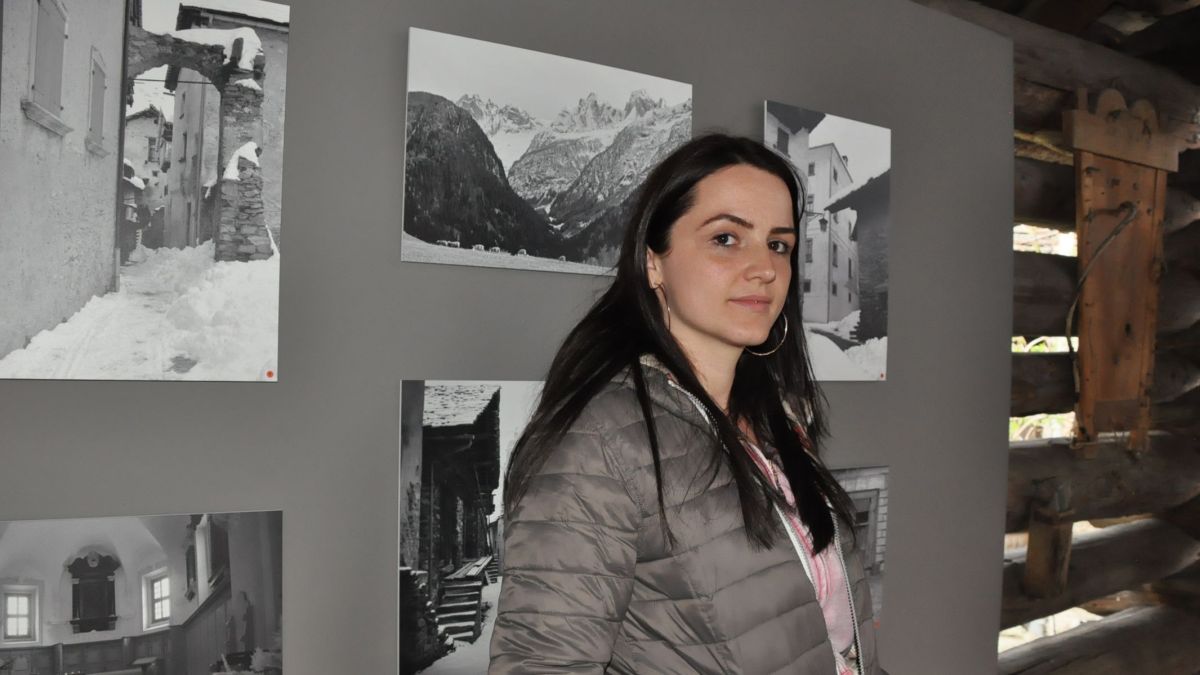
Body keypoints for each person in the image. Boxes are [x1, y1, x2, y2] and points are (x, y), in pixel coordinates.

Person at [488, 134, 884, 674]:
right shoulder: (600, 439)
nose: (765, 268)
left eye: (778, 245)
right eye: (726, 238)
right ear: (654, 262)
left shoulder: (777, 420)